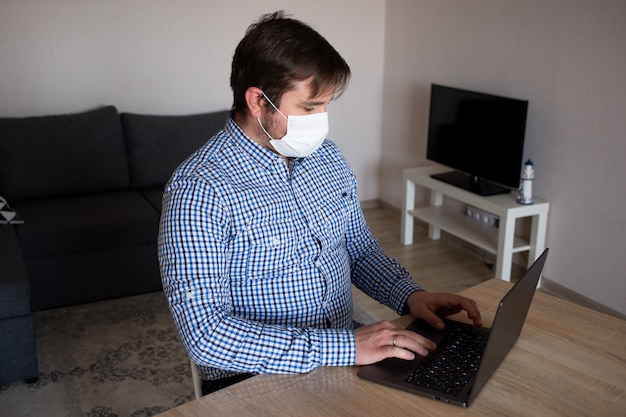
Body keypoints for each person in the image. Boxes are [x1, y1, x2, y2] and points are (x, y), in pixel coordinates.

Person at [158, 10, 482, 395]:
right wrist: (345, 347)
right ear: (258, 102)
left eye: (326, 105)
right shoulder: (200, 190)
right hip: (256, 377)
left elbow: (358, 250)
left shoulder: (328, 158)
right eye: (310, 107)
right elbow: (206, 336)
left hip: (345, 349)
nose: (321, 120)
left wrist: (411, 295)